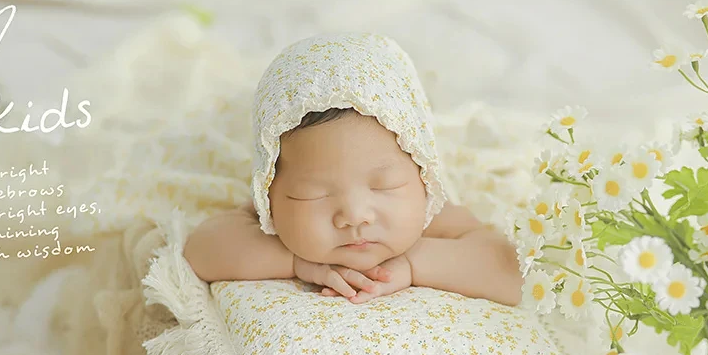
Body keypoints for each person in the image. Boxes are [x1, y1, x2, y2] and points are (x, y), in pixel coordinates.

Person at [183, 32, 522, 306]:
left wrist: (413, 262)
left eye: (384, 186)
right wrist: (297, 262)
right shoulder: (273, 225)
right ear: (268, 193)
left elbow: (509, 271)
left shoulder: (431, 220)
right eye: (312, 194)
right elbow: (200, 251)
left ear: (423, 176)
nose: (355, 216)